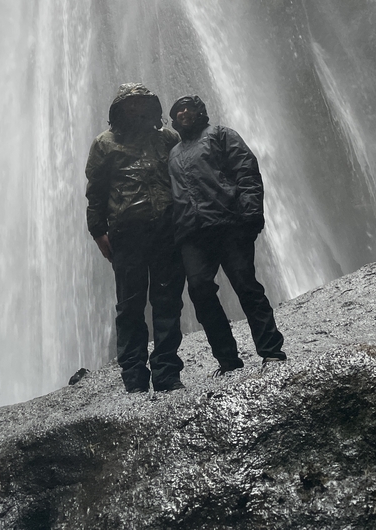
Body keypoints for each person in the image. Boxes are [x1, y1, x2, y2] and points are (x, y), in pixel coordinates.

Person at [167, 94, 286, 373]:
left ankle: (271, 350)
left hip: (228, 224)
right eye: (177, 110)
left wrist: (251, 215)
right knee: (200, 293)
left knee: (246, 286)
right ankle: (227, 360)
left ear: (199, 111)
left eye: (188, 108)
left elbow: (246, 171)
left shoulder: (221, 135)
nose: (183, 113)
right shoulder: (172, 153)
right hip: (192, 234)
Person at [85, 83, 186, 393]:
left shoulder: (167, 139)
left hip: (166, 232)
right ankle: (133, 376)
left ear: (153, 109)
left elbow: (183, 179)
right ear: (119, 110)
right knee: (130, 306)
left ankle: (167, 373)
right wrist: (98, 231)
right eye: (131, 105)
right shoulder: (105, 144)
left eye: (143, 104)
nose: (138, 110)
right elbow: (95, 193)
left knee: (167, 302)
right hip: (126, 236)